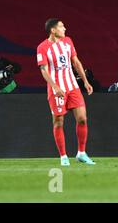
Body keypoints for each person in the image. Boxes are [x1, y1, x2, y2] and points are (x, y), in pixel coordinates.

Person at [36, 18, 95, 166]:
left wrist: (85, 81)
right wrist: (55, 87)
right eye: (61, 27)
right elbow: (43, 70)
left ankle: (81, 153)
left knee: (82, 118)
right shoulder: (42, 47)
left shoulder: (68, 41)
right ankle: (63, 156)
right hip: (56, 89)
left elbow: (75, 62)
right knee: (58, 122)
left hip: (72, 86)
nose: (65, 29)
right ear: (53, 30)